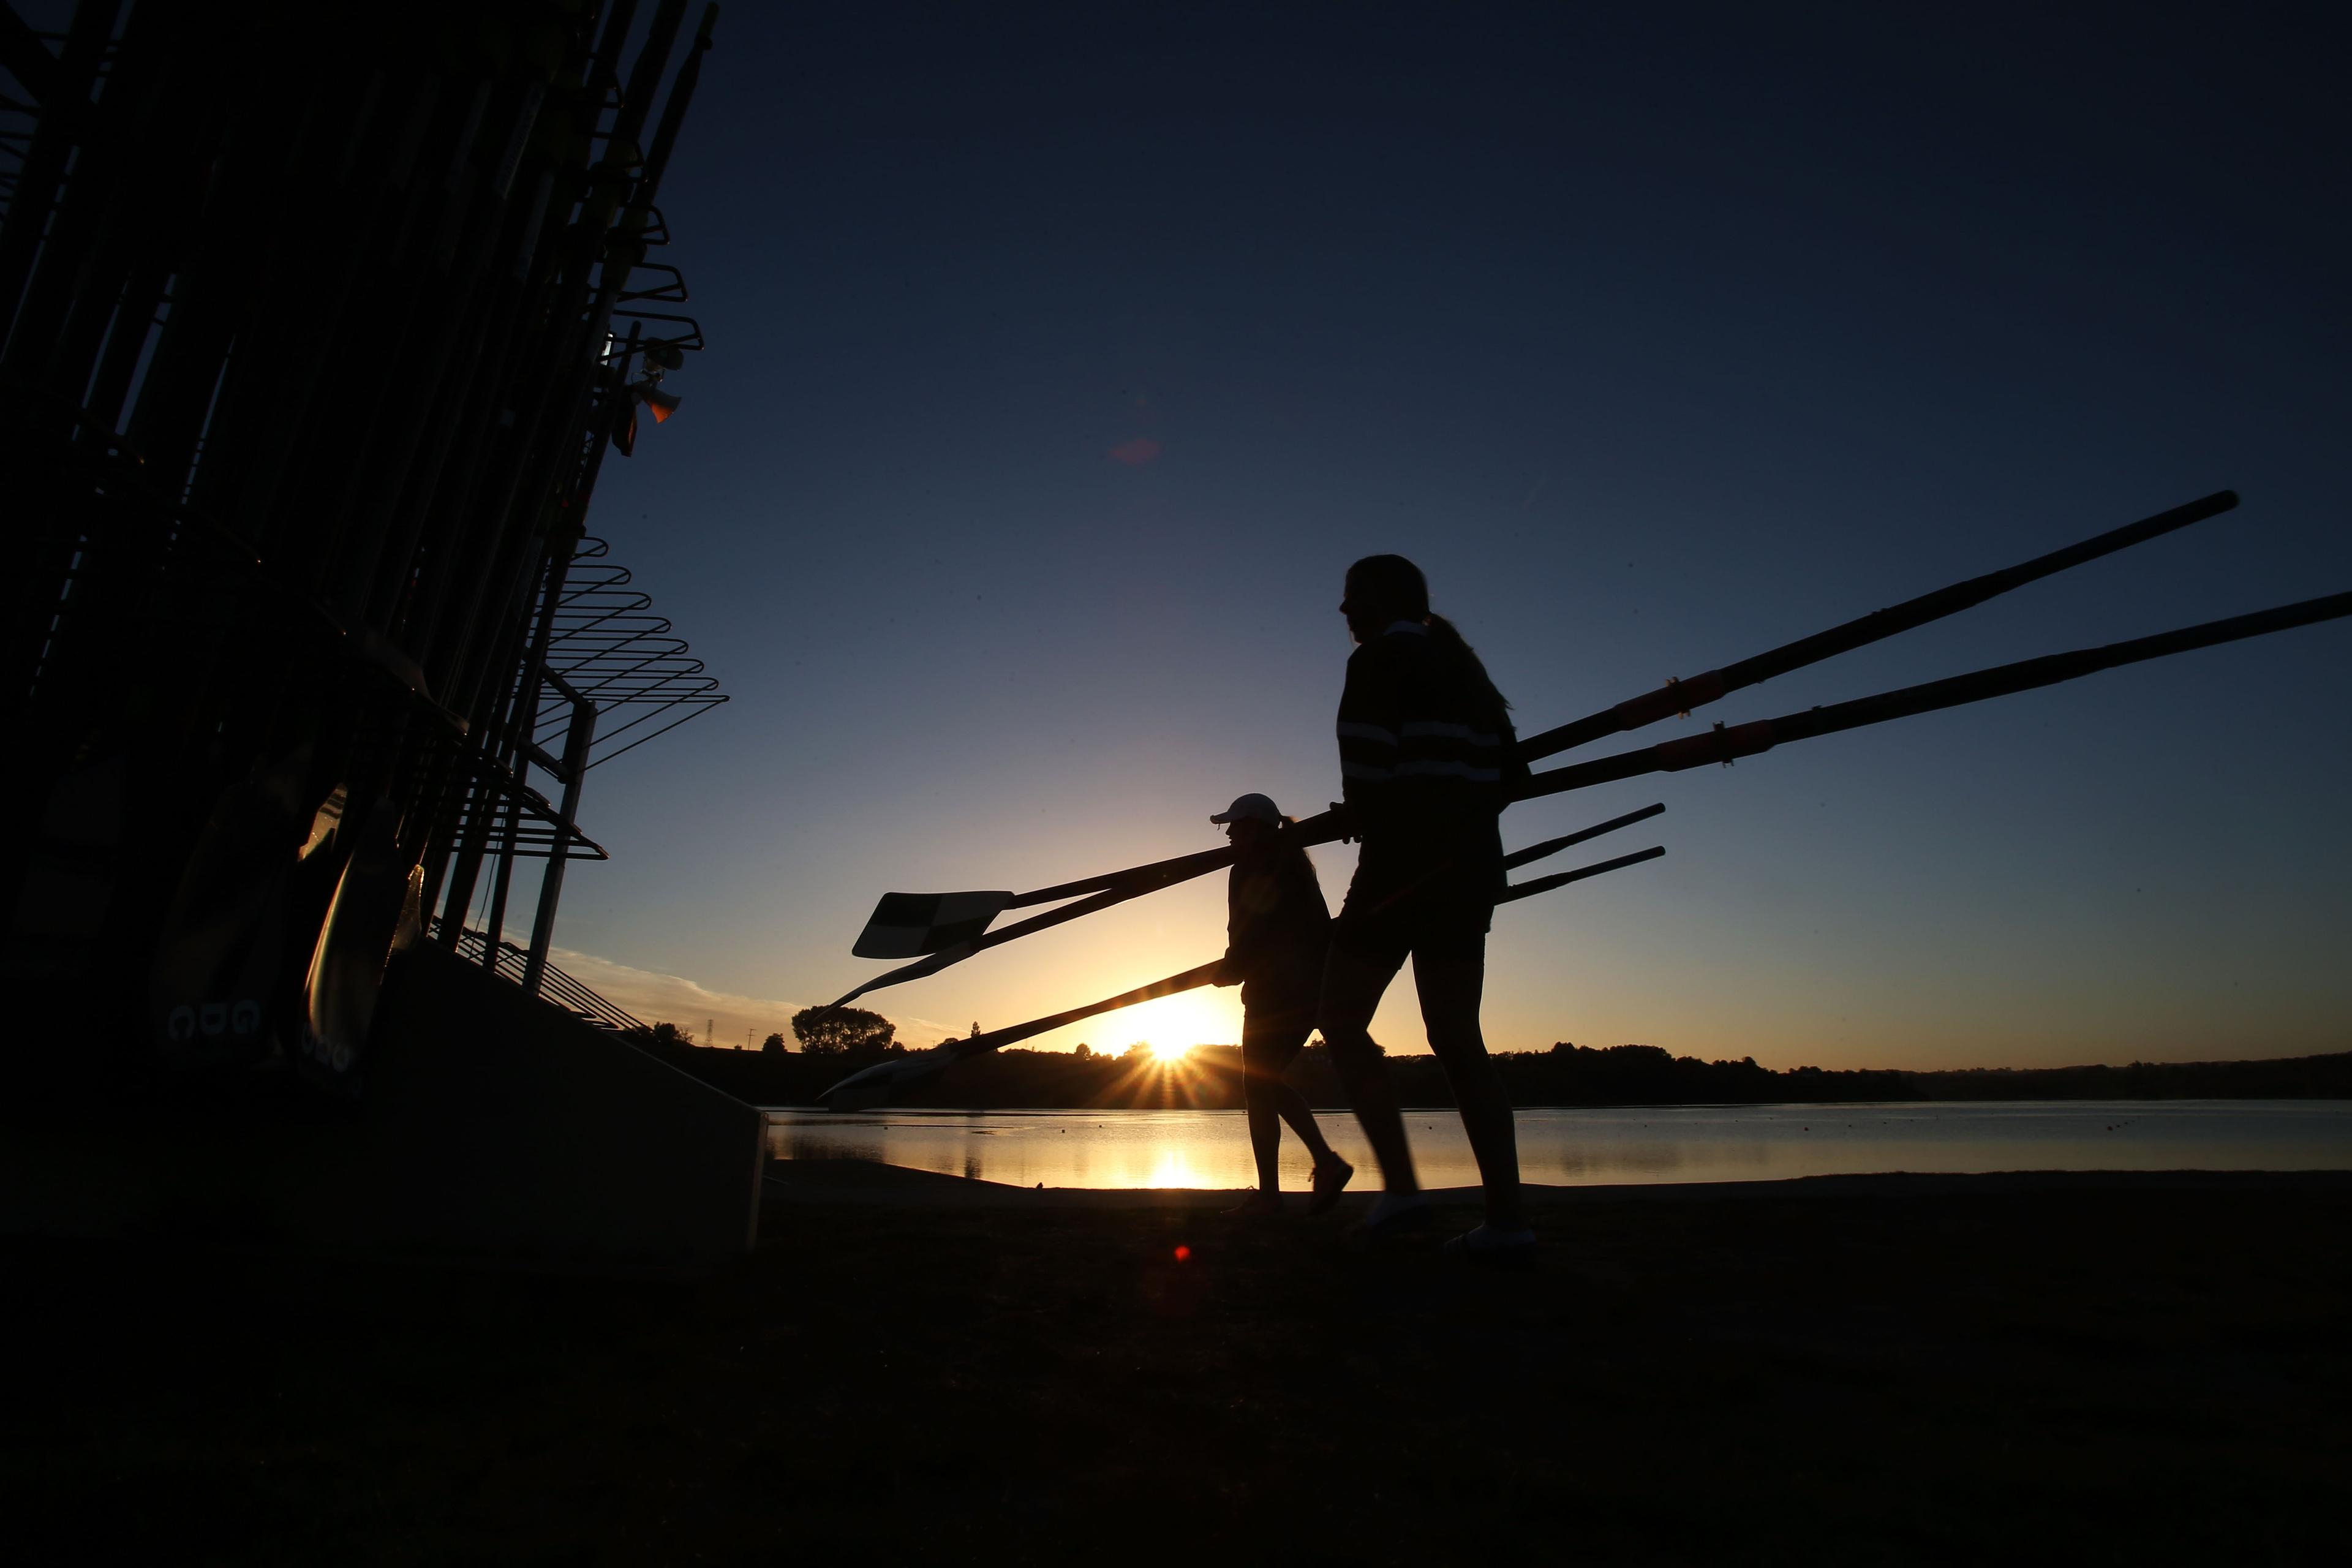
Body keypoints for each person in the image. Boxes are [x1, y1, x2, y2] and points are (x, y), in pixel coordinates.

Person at [1317, 554, 1534, 1265]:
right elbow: (1512, 779)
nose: (1344, 613)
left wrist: (1357, 811)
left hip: (1400, 867)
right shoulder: (1470, 674)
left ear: (1381, 602)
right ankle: (1507, 1222)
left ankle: (1405, 1189)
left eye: (1353, 599)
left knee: (1341, 1018)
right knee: (1457, 1038)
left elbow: (1369, 777)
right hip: (1471, 871)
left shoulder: (1378, 660)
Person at [1207, 791, 1354, 1216]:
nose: (1230, 833)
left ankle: (1278, 1191)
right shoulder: (1293, 864)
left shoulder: (1252, 867)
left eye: (1235, 825)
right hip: (1311, 987)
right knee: (1264, 1083)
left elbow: (1250, 929)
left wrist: (1230, 970)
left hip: (1276, 992)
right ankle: (1317, 1166)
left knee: (1258, 1085)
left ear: (1254, 826)